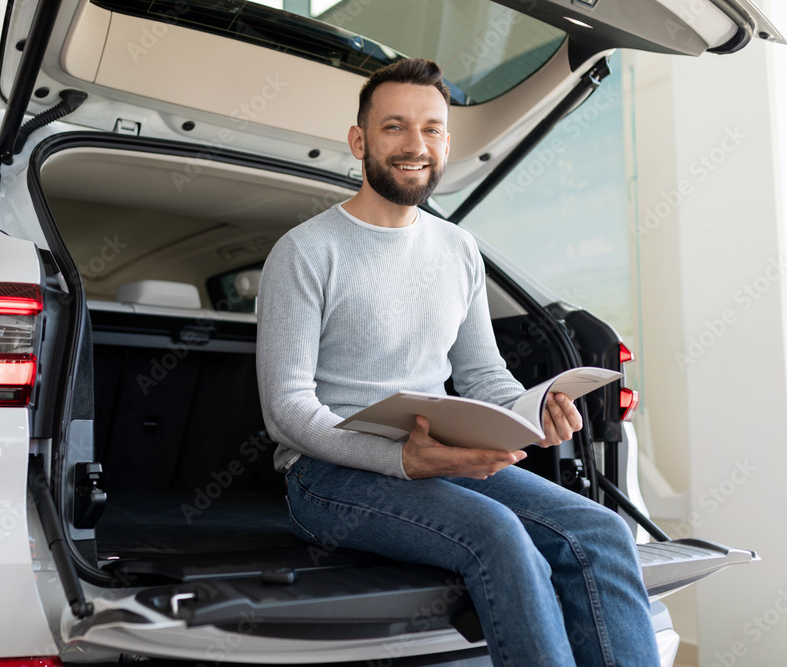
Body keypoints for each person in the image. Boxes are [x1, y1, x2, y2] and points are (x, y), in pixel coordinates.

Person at [256, 58, 659, 667]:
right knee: (498, 536)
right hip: (328, 478)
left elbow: (482, 377)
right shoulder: (305, 252)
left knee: (599, 532)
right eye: (394, 127)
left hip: (442, 458)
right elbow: (286, 412)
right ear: (359, 141)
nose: (415, 145)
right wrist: (397, 459)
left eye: (432, 129)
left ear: (447, 141)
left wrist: (533, 408)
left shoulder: (458, 248)